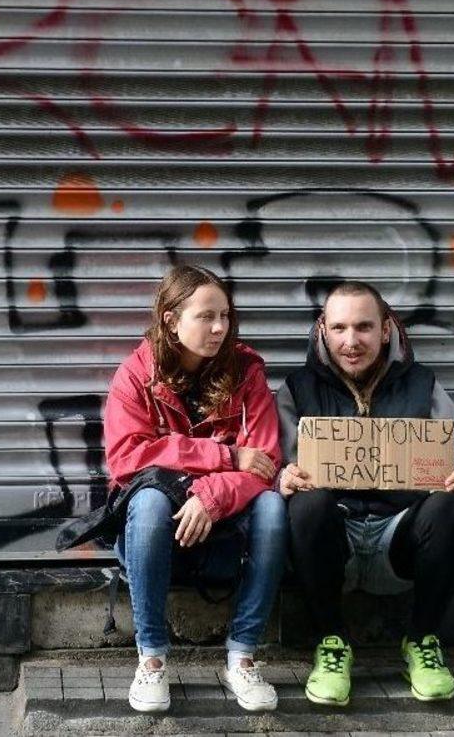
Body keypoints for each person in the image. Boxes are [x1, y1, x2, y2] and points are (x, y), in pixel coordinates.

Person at [276, 280, 454, 706]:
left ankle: (422, 641)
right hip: (335, 543)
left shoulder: (423, 385)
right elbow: (276, 470)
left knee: (450, 508)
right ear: (322, 331)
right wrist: (282, 479)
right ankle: (331, 641)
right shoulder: (296, 390)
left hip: (399, 538)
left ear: (386, 330)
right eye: (340, 328)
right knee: (307, 504)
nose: (351, 341)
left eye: (364, 327)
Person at [104, 265, 287, 714]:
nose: (220, 327)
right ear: (170, 319)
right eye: (206, 316)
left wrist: (212, 494)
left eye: (224, 315)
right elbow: (126, 458)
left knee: (273, 507)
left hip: (223, 529)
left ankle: (242, 654)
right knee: (145, 501)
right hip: (155, 532)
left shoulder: (247, 374)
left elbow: (265, 463)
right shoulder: (135, 376)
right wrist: (222, 456)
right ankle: (151, 658)